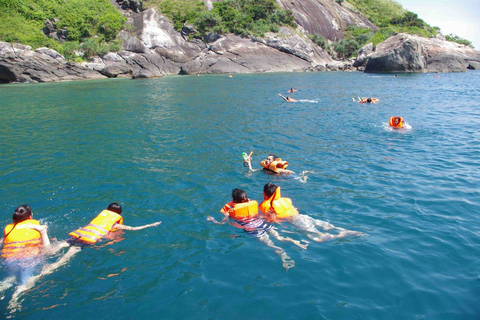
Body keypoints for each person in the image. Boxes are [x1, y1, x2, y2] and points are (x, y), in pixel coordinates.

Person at [207, 188, 307, 271]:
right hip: (261, 223)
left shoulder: (230, 211)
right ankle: (296, 242)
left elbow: (223, 223)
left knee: (271, 245)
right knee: (280, 237)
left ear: (234, 200)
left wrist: (213, 220)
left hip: (251, 229)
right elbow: (259, 215)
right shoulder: (251, 204)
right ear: (246, 199)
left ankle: (284, 258)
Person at [260, 183, 363, 243]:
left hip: (295, 221)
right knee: (326, 226)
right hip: (302, 216)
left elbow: (274, 221)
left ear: (264, 193)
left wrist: (271, 218)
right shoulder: (285, 200)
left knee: (318, 238)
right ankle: (344, 230)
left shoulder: (266, 207)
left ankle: (342, 235)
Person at [68, 203, 161, 245]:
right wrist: (150, 225)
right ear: (118, 213)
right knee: (71, 252)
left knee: (65, 243)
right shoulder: (116, 224)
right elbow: (134, 228)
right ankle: (54, 266)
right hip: (89, 239)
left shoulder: (101, 217)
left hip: (80, 233)